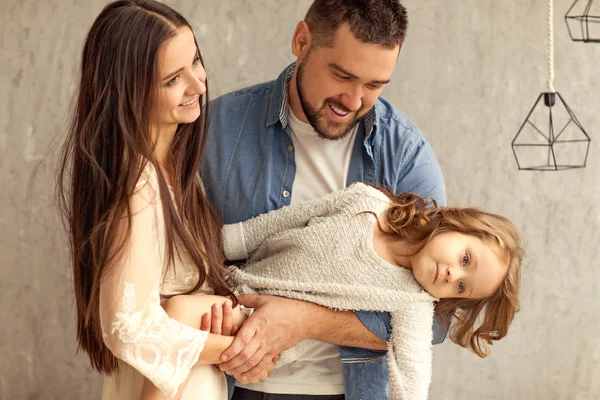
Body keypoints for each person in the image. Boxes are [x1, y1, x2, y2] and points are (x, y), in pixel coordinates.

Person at [202, 0, 446, 398]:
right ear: (302, 41)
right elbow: (174, 266)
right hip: (229, 384)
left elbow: (437, 319)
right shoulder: (217, 130)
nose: (353, 100)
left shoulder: (405, 155)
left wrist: (306, 320)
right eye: (343, 75)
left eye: (374, 85)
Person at [56, 1, 265, 398]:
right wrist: (241, 352)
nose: (199, 85)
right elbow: (126, 328)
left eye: (196, 62)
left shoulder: (177, 172)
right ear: (130, 91)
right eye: (173, 79)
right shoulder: (140, 184)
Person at [215, 183, 522, 399]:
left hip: (251, 331)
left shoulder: (413, 303)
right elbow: (281, 222)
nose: (453, 274)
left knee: (202, 320)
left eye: (461, 287)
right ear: (456, 224)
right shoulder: (365, 200)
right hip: (234, 274)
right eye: (465, 258)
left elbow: (413, 376)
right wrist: (219, 243)